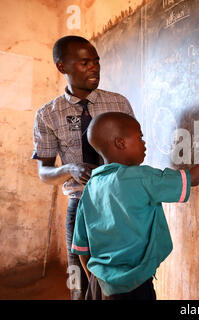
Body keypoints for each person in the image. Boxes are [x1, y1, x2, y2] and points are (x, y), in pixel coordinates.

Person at [70, 112, 199, 300]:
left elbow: (81, 247)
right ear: (121, 143)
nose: (145, 143)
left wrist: (98, 281)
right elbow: (194, 178)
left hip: (99, 284)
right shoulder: (141, 177)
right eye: (140, 137)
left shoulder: (91, 186)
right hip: (133, 285)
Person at [31, 35, 135, 300]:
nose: (94, 68)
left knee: (121, 283)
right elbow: (44, 174)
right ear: (62, 67)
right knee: (79, 283)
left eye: (96, 61)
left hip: (119, 205)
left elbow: (133, 153)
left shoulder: (118, 104)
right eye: (85, 62)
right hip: (80, 207)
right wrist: (71, 169)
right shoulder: (48, 114)